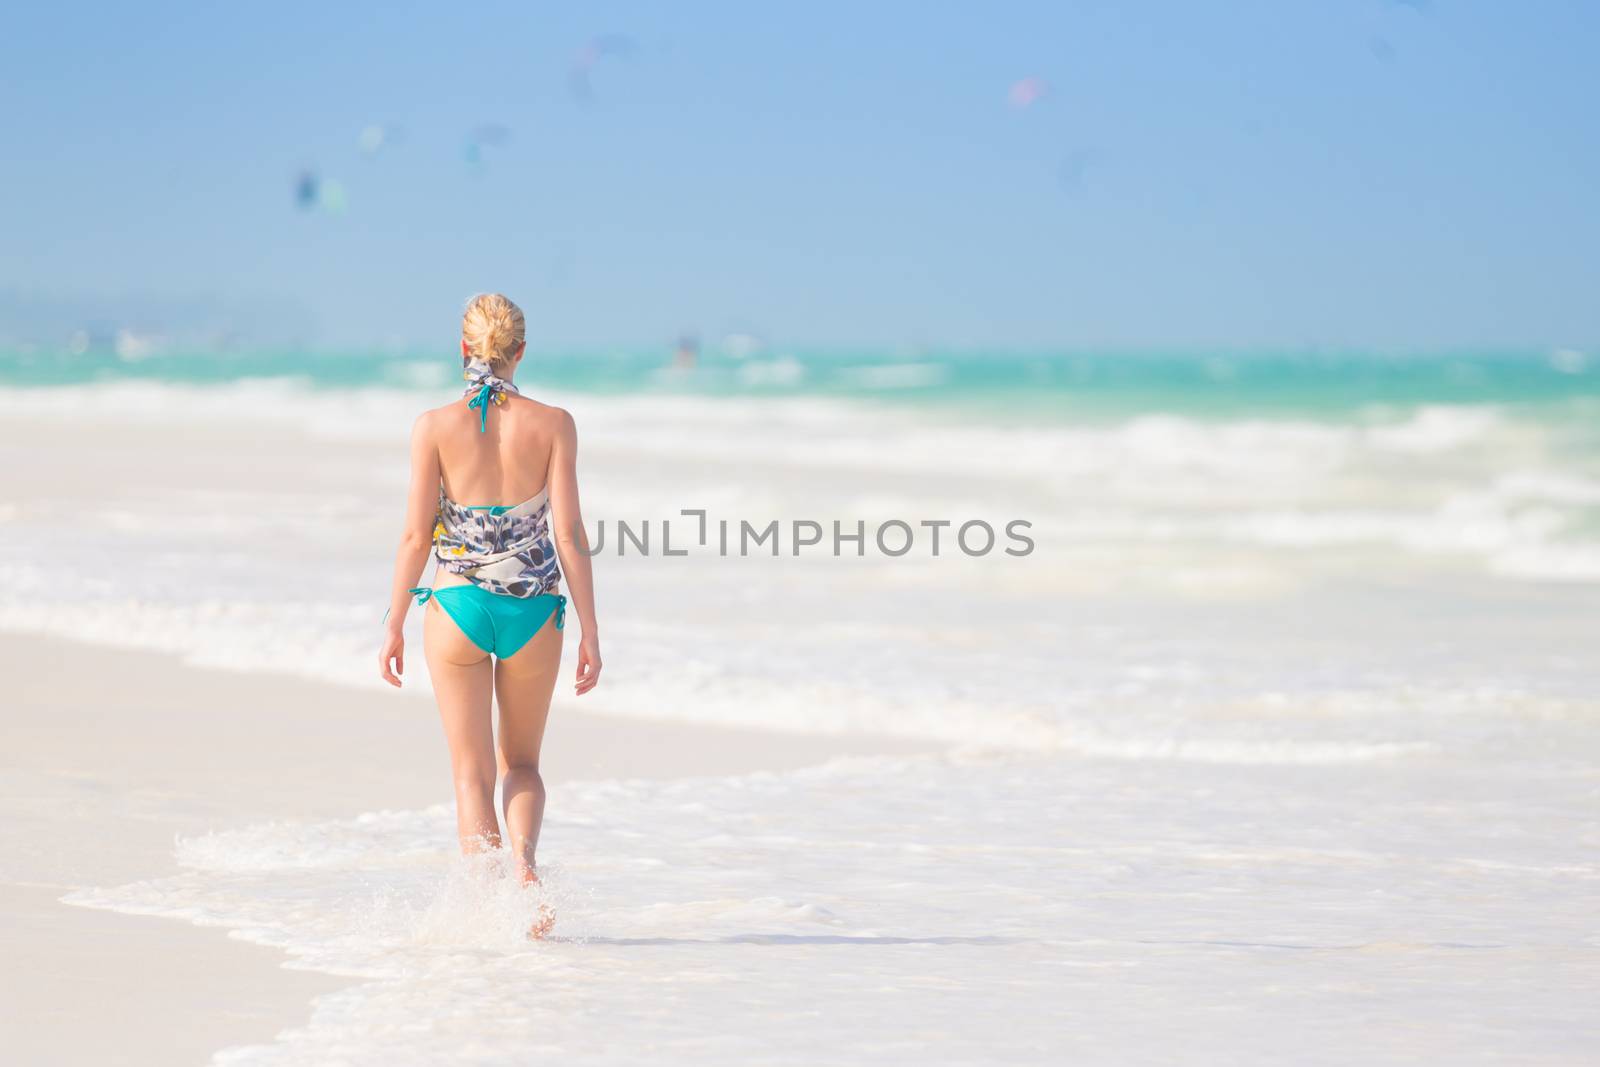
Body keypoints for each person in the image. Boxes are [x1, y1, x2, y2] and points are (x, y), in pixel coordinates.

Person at [378, 293, 601, 927]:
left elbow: (416, 537)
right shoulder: (555, 424)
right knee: (523, 764)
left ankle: (485, 912)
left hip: (456, 610)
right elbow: (569, 533)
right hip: (534, 616)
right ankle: (525, 869)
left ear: (463, 350)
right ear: (521, 352)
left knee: (471, 773)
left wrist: (394, 621)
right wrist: (590, 629)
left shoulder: (433, 427)